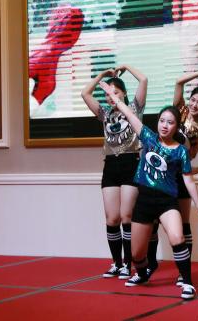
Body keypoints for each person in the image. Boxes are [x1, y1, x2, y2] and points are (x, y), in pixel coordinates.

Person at [99, 81, 198, 300]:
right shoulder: (148, 138)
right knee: (136, 254)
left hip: (167, 203)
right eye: (162, 121)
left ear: (176, 127)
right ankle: (142, 273)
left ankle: (187, 282)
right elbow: (128, 113)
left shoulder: (180, 151)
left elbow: (188, 181)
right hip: (143, 202)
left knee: (177, 237)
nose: (165, 125)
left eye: (170, 122)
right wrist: (113, 97)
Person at [146, 70, 198, 286]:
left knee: (184, 224)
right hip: (158, 175)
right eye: (193, 99)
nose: (194, 105)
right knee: (151, 221)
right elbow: (179, 83)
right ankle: (150, 264)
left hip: (181, 180)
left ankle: (184, 272)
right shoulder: (179, 112)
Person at [81, 65, 147, 280]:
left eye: (115, 92)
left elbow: (143, 80)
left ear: (124, 94)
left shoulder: (134, 109)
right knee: (112, 218)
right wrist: (102, 75)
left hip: (131, 163)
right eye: (108, 94)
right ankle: (116, 263)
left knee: (126, 216)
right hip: (110, 165)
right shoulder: (105, 114)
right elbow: (85, 94)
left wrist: (126, 67)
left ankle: (128, 264)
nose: (110, 97)